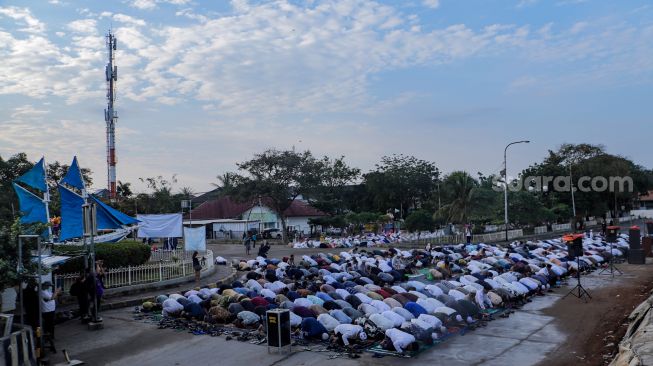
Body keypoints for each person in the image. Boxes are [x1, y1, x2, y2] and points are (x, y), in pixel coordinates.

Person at [41, 281, 61, 353]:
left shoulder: (46, 291)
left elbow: (53, 296)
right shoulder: (42, 292)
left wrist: (55, 293)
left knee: (51, 325)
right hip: (47, 311)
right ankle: (49, 338)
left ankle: (51, 337)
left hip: (50, 310)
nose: (49, 287)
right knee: (49, 325)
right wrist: (56, 291)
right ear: (45, 286)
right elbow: (52, 297)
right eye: (48, 286)